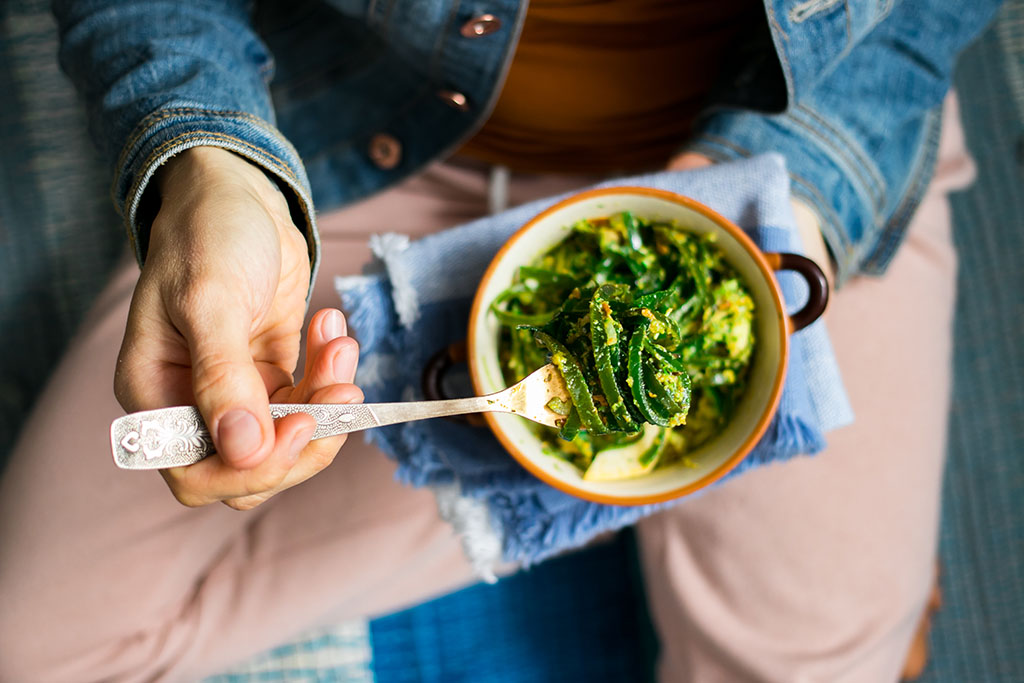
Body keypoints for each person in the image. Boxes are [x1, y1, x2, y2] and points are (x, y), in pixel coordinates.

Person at [0, 0, 998, 680]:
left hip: (789, 136)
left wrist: (799, 203)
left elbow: (918, 21)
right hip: (360, 133)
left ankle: (552, 503)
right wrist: (208, 158)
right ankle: (548, 503)